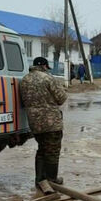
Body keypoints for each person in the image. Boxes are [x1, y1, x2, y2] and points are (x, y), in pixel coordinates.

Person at [19, 57, 67, 190]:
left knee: (42, 150)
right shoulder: (48, 78)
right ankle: (52, 180)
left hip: (34, 122)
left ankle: (39, 179)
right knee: (52, 150)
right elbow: (61, 98)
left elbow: (23, 102)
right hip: (51, 121)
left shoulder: (24, 80)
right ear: (44, 66)